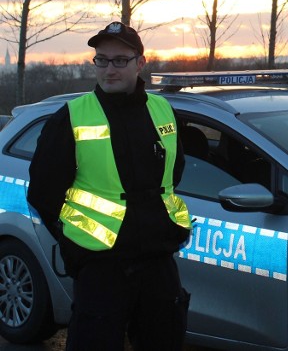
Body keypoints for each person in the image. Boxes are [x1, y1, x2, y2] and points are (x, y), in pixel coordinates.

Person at [27, 21, 193, 351]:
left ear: (140, 63)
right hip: (101, 266)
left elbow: (172, 175)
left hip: (157, 261)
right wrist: (74, 247)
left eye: (119, 61)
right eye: (101, 60)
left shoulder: (162, 110)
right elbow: (43, 194)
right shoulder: (71, 116)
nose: (109, 69)